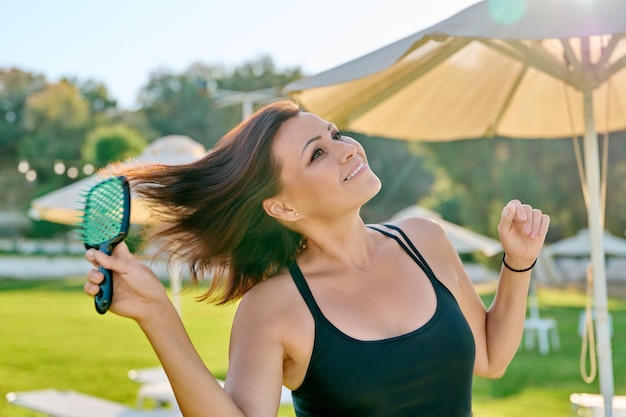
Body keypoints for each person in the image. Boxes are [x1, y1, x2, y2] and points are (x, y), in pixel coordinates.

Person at [84, 99, 550, 417]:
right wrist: (155, 313)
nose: (348, 150)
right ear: (282, 207)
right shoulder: (273, 308)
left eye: (336, 134)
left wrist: (519, 262)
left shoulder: (424, 239)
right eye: (318, 153)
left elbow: (490, 357)